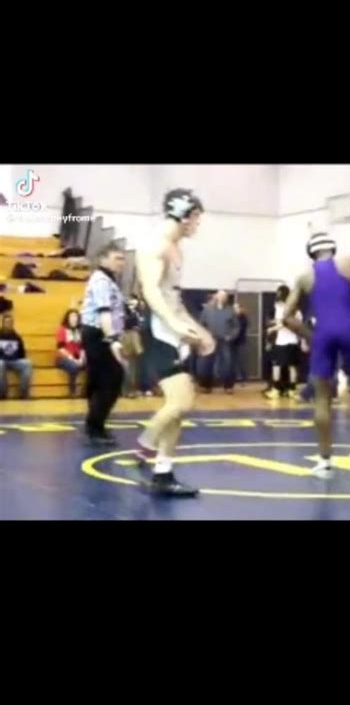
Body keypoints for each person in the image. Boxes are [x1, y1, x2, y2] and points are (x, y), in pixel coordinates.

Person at [282, 231, 350, 481]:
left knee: (322, 398)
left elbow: (285, 317)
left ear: (311, 253)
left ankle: (325, 462)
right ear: (333, 248)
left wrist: (310, 336)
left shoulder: (304, 277)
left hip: (323, 335)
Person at [136, 188, 215, 497]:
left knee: (179, 407)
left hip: (170, 331)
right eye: (197, 218)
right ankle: (143, 449)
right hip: (158, 333)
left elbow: (174, 298)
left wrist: (196, 329)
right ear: (186, 215)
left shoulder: (175, 247)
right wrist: (173, 326)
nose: (198, 225)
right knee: (181, 402)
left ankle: (163, 472)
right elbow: (151, 291)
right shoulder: (156, 244)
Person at [80, 242, 127, 446]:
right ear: (103, 259)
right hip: (99, 334)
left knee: (102, 380)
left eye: (123, 259)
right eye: (117, 258)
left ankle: (96, 425)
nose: (122, 263)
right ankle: (94, 426)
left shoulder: (109, 280)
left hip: (101, 333)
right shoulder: (101, 280)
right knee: (112, 379)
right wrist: (112, 339)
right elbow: (104, 312)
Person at [265, 285, 302, 400]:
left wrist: (272, 329)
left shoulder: (286, 309)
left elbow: (285, 323)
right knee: (291, 367)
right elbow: (282, 321)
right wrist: (274, 323)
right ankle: (291, 390)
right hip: (290, 341)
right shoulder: (294, 309)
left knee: (278, 366)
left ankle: (277, 390)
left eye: (279, 294)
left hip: (284, 341)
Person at [198, 290, 238, 394]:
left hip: (225, 340)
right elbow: (201, 325)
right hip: (210, 340)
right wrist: (204, 337)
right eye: (219, 296)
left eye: (224, 296)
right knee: (206, 363)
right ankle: (205, 386)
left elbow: (236, 326)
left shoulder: (230, 310)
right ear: (216, 297)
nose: (221, 298)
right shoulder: (207, 310)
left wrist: (231, 336)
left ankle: (228, 386)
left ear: (226, 298)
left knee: (227, 363)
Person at [0, 314, 33, 400]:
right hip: (2, 361)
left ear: (12, 324)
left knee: (27, 363)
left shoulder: (17, 337)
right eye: (6, 322)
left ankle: (23, 393)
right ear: (2, 323)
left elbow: (22, 354)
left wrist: (19, 359)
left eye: (10, 322)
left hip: (15, 361)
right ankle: (2, 393)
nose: (8, 324)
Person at [56, 309, 86, 398]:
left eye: (76, 317)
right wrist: (73, 359)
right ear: (67, 318)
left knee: (92, 365)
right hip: (63, 357)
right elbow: (61, 348)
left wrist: (81, 359)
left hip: (78, 357)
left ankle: (86, 390)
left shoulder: (80, 330)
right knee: (74, 367)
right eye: (72, 317)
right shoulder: (62, 329)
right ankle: (72, 391)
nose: (74, 319)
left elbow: (83, 347)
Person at [121, 295, 145, 398]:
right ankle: (126, 390)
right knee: (126, 365)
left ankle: (133, 389)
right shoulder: (123, 311)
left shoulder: (137, 311)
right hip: (127, 336)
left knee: (134, 366)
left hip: (134, 336)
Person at [231, 302, 249, 384]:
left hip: (240, 342)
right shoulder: (233, 317)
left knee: (241, 361)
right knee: (232, 361)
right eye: (234, 308)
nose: (235, 310)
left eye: (236, 308)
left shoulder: (243, 318)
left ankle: (243, 379)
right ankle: (234, 378)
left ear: (241, 309)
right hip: (232, 342)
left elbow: (239, 329)